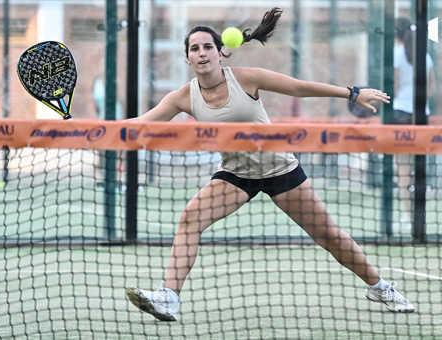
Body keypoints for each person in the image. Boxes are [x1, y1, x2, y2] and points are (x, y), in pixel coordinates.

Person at [125, 8, 415, 321]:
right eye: (194, 49)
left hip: (281, 171)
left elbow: (299, 87)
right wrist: (91, 129)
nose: (202, 53)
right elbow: (141, 125)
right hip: (236, 175)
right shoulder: (182, 97)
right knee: (189, 219)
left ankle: (380, 287)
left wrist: (352, 93)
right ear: (188, 59)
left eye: (207, 46)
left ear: (221, 53)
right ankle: (169, 297)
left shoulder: (247, 78)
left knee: (329, 236)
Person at [392, 17, 435, 233]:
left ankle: (408, 216)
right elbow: (431, 89)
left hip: (401, 114)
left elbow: (395, 85)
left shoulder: (396, 54)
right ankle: (418, 216)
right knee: (418, 168)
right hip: (421, 115)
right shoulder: (425, 56)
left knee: (404, 170)